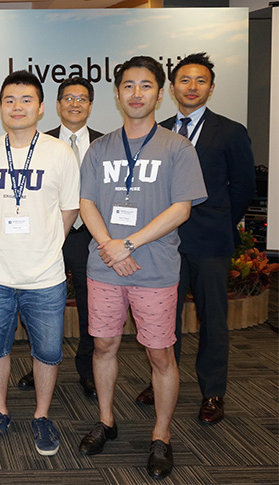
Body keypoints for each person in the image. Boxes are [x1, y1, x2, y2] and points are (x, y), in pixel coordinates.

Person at [78, 56, 207, 479]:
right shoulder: (100, 148)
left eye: (146, 86)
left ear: (160, 92)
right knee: (103, 347)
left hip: (154, 269)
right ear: (116, 95)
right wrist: (110, 247)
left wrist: (128, 243)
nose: (136, 93)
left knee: (160, 355)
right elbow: (87, 203)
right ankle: (106, 420)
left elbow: (182, 208)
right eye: (128, 86)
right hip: (105, 269)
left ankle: (162, 435)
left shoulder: (177, 147)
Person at [135, 53, 256, 424]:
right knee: (162, 319)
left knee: (212, 320)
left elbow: (244, 189)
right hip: (164, 243)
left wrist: (220, 221)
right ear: (171, 88)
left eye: (200, 81)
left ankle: (213, 392)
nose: (191, 87)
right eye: (184, 80)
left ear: (211, 87)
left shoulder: (231, 131)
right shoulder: (160, 130)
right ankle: (161, 380)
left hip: (210, 244)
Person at [0, 71, 79, 456]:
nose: (18, 107)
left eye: (26, 100)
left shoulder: (60, 153)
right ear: (0, 107)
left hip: (45, 274)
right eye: (10, 100)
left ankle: (42, 416)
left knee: (47, 351)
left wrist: (45, 245)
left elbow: (69, 209)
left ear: (41, 106)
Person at [18, 77, 103, 399]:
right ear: (56, 105)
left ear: (91, 106)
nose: (75, 104)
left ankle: (87, 368)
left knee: (89, 305)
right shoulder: (38, 143)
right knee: (37, 305)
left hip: (87, 236)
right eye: (68, 98)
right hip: (45, 235)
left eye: (82, 99)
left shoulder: (103, 144)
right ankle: (37, 363)